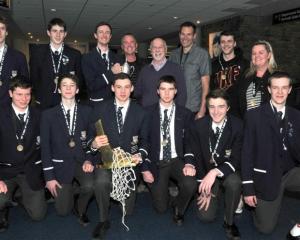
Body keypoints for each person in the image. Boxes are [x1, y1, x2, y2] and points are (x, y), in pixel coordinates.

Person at [86, 73, 149, 239]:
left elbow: (146, 140)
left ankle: (119, 196)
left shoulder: (141, 112)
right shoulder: (99, 109)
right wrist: (94, 144)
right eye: (119, 87)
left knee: (127, 212)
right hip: (105, 161)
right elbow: (88, 139)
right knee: (101, 182)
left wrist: (140, 154)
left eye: (127, 87)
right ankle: (103, 219)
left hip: (129, 164)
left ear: (132, 89)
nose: (123, 91)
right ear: (112, 88)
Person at [242, 71, 300, 234]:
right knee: (265, 228)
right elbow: (246, 153)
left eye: (284, 88)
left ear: (289, 90)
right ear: (269, 89)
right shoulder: (254, 115)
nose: (280, 92)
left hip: (290, 172)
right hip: (265, 176)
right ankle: (257, 207)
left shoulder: (297, 116)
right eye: (275, 88)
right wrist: (247, 188)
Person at [142, 75, 197, 226]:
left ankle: (179, 208)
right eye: (163, 89)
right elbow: (144, 141)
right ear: (157, 91)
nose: (167, 93)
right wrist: (145, 168)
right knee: (161, 208)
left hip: (176, 159)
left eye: (170, 89)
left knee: (191, 184)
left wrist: (189, 163)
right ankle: (166, 195)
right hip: (157, 160)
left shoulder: (185, 114)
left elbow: (189, 141)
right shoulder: (147, 113)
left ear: (176, 91)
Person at [41, 74, 93, 225]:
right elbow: (45, 147)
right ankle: (70, 192)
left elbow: (91, 139)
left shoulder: (87, 111)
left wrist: (89, 159)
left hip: (81, 161)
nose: (68, 88)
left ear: (77, 90)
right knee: (63, 211)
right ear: (59, 89)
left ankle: (80, 207)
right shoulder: (47, 115)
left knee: (90, 185)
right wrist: (49, 177)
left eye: (72, 85)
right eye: (64, 85)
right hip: (60, 165)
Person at [190, 89, 243, 239]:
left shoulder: (238, 126)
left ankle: (229, 222)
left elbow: (236, 159)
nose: (216, 111)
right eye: (212, 106)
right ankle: (215, 191)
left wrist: (214, 172)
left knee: (234, 182)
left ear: (228, 108)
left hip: (227, 172)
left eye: (221, 106)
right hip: (206, 173)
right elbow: (197, 157)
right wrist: (204, 187)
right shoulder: (198, 125)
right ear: (207, 108)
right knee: (205, 217)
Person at [0, 76, 46, 232]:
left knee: (38, 216)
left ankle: (20, 194)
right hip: (5, 171)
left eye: (27, 94)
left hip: (30, 170)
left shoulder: (40, 115)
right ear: (10, 93)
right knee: (0, 200)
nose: (24, 99)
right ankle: (4, 206)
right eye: (19, 94)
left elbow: (46, 146)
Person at [29, 18, 82, 109]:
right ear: (48, 33)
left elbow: (79, 79)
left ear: (65, 34)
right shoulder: (37, 53)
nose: (58, 35)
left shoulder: (75, 55)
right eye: (54, 31)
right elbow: (34, 78)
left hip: (67, 103)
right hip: (43, 103)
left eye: (61, 31)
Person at [169, 21, 211, 119]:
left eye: (189, 34)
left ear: (194, 36)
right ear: (179, 35)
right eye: (183, 34)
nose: (185, 38)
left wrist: (202, 110)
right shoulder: (173, 55)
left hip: (193, 109)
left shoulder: (202, 54)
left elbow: (206, 85)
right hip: (175, 107)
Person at [134, 37, 186, 107]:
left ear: (166, 49)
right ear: (151, 51)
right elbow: (137, 93)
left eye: (160, 47)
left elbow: (182, 94)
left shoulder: (176, 69)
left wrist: (177, 113)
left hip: (168, 114)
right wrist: (143, 106)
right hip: (147, 114)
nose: (157, 50)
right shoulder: (144, 70)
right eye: (154, 47)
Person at [210, 31, 249, 117]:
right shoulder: (213, 65)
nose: (226, 44)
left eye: (229, 41)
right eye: (223, 42)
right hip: (218, 112)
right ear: (220, 45)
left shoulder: (245, 64)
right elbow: (210, 89)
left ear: (234, 43)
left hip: (239, 114)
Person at [81, 22, 119, 106]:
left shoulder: (117, 57)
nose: (104, 35)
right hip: (97, 105)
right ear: (95, 35)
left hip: (116, 103)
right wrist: (111, 73)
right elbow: (91, 85)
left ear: (110, 36)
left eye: (107, 32)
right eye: (101, 32)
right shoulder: (87, 58)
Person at [237, 40, 277, 117]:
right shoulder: (245, 76)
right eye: (254, 53)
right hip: (248, 124)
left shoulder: (276, 78)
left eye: (261, 53)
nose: (257, 56)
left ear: (269, 55)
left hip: (268, 124)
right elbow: (239, 103)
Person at [0, 16, 29, 106]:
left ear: (7, 32)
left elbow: (24, 85)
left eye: (2, 29)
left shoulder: (19, 57)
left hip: (10, 107)